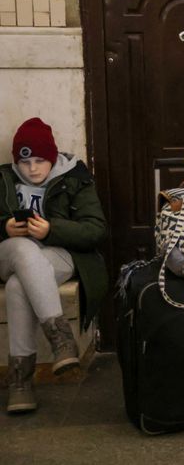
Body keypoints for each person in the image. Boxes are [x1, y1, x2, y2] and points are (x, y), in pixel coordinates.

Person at [1, 118, 108, 413]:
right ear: (15, 161)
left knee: (17, 284)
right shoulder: (3, 180)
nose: (33, 168)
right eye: (25, 162)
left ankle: (20, 384)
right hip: (8, 253)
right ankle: (61, 339)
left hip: (57, 254)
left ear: (52, 157)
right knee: (22, 248)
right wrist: (5, 228)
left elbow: (95, 230)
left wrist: (51, 230)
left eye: (40, 160)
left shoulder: (75, 178)